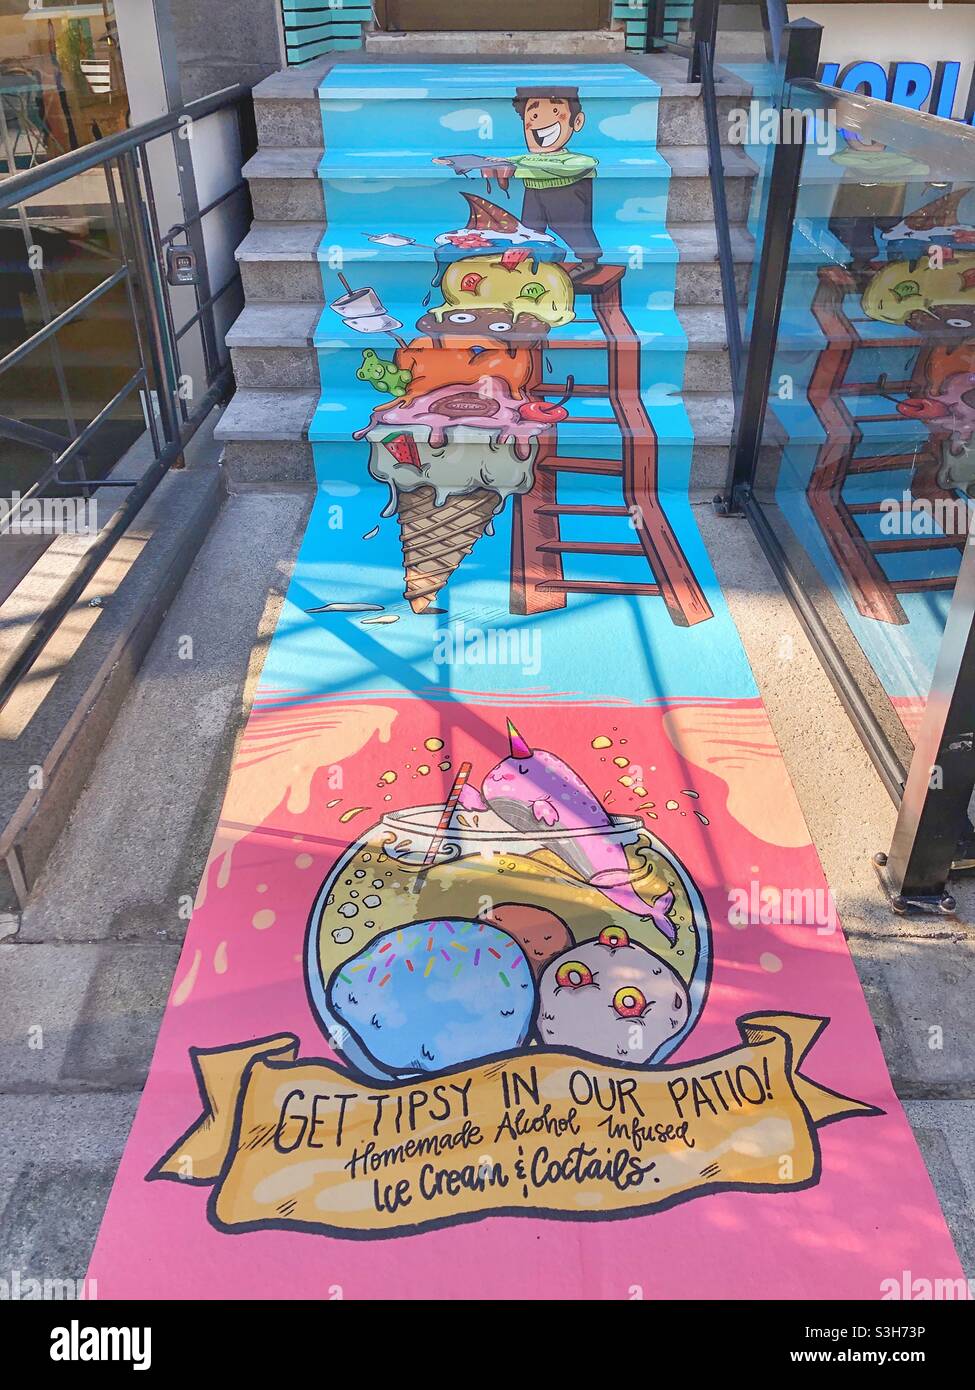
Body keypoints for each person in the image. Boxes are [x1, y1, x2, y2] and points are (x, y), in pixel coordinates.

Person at [434, 85, 602, 277]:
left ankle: (589, 260)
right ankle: (536, 256)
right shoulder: (523, 159)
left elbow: (580, 165)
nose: (541, 122)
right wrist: (458, 161)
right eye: (534, 117)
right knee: (530, 229)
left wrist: (518, 168)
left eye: (555, 111)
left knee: (571, 228)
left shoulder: (577, 158)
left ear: (577, 121)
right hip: (534, 193)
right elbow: (504, 162)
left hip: (568, 194)